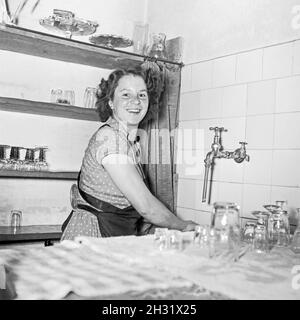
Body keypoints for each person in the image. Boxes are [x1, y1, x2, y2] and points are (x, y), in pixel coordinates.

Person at [61, 67, 197, 240]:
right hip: (92, 236)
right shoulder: (110, 138)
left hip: (113, 236)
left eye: (142, 95)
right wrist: (185, 226)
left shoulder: (130, 143)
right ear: (110, 101)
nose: (136, 101)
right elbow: (146, 207)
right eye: (126, 94)